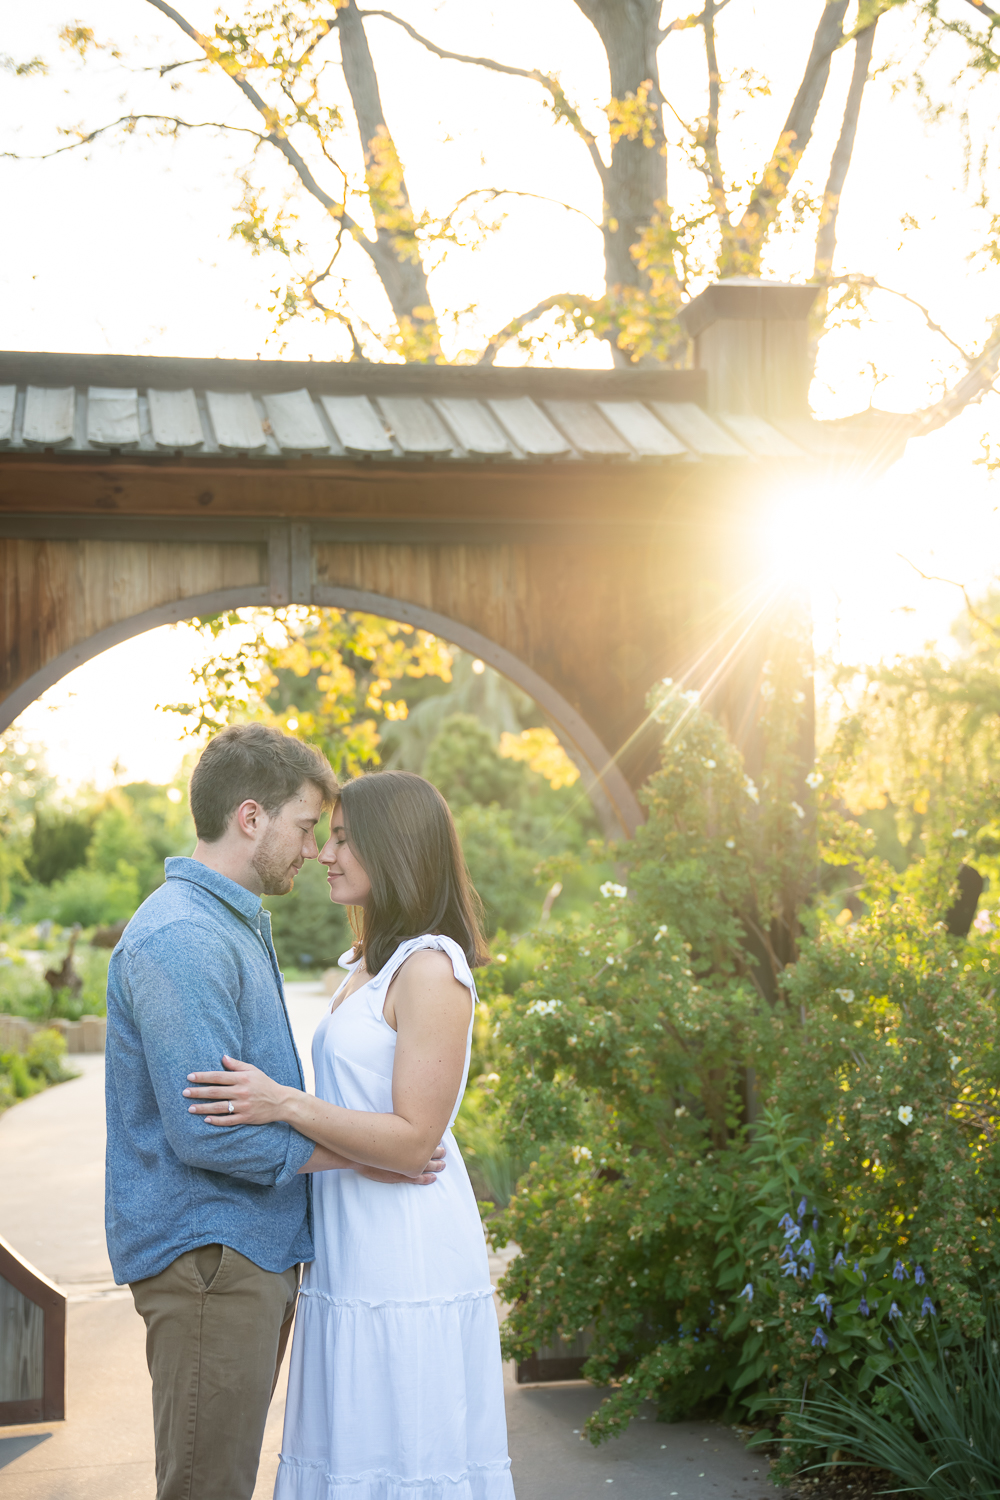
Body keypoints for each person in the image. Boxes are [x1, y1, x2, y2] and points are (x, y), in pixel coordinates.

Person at [105, 726, 445, 1500]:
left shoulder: (228, 923)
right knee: (207, 1485)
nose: (313, 850)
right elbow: (206, 1130)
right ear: (251, 818)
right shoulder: (185, 936)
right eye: (304, 827)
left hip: (238, 1257)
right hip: (211, 1260)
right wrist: (363, 1154)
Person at [183, 769, 516, 1500]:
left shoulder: (432, 968)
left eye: (341, 839)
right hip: (350, 1243)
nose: (323, 855)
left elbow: (411, 1140)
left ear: (392, 848)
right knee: (352, 1448)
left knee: (402, 1451)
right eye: (324, 837)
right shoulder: (369, 963)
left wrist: (285, 1106)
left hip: (407, 1248)